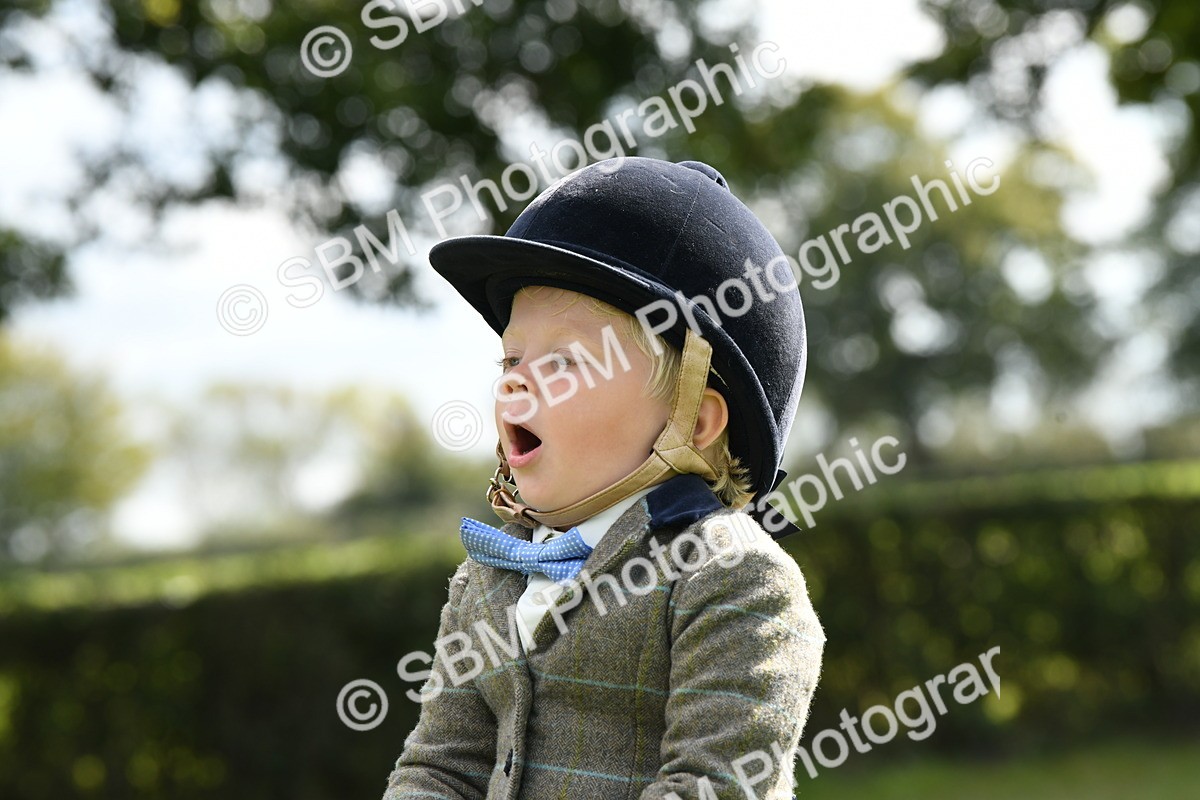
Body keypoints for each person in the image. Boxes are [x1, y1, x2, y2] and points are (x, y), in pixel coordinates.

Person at [382, 157, 824, 800]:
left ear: (693, 421)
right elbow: (440, 768)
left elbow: (714, 785)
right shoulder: (487, 577)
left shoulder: (733, 579)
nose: (513, 380)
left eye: (563, 361)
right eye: (511, 357)